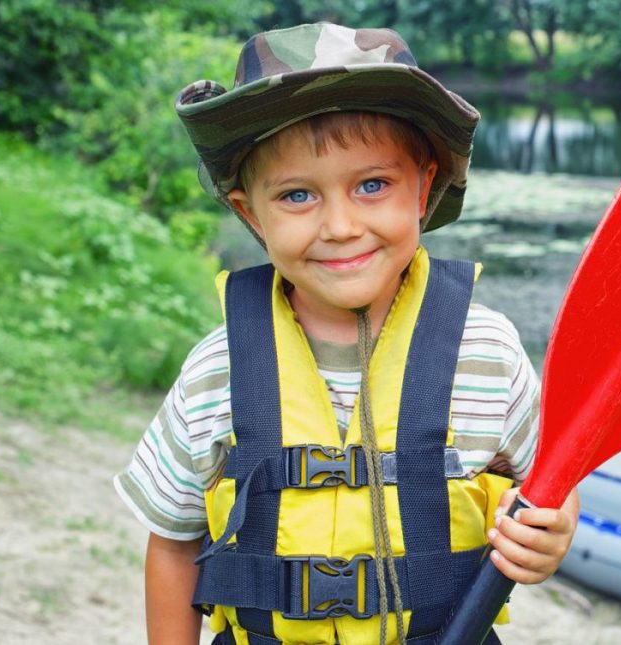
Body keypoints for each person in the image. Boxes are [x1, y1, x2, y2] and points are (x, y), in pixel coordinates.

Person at [113, 23, 579, 645]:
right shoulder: (217, 366)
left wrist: (551, 537)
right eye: (297, 194)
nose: (339, 225)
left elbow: (552, 485)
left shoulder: (488, 352)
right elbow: (173, 542)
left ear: (423, 187)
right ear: (250, 211)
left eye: (372, 185)